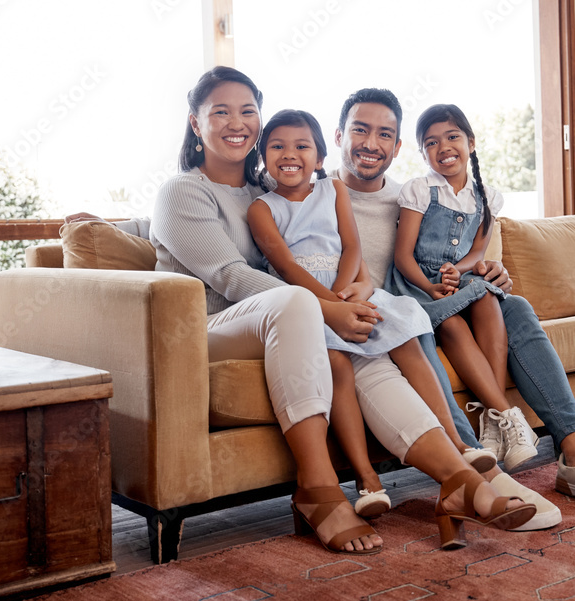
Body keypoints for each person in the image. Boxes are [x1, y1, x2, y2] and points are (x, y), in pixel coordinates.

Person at [148, 66, 535, 554]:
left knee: (368, 354)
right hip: (208, 331)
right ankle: (317, 487)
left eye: (248, 111)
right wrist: (326, 308)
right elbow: (227, 273)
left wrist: (344, 307)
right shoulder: (180, 190)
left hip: (286, 325)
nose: (236, 122)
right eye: (220, 111)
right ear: (194, 122)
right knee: (295, 303)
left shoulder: (261, 191)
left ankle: (460, 478)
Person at [334, 88, 575, 515]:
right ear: (338, 136)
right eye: (360, 131)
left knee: (516, 307)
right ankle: (483, 471)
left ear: (399, 147)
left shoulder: (414, 194)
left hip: (439, 295)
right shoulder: (318, 197)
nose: (371, 144)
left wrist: (488, 269)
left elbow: (457, 249)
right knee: (411, 326)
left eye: (384, 134)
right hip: (395, 312)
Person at [247, 109, 497, 517]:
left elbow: (351, 248)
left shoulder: (333, 191)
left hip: (348, 292)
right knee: (339, 368)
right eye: (277, 146)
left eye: (302, 146)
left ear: (321, 155)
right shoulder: (262, 208)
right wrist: (329, 306)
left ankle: (458, 442)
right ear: (263, 156)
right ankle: (366, 478)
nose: (289, 154)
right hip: (305, 304)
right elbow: (287, 268)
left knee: (408, 338)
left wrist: (346, 293)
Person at [386, 103, 540, 473]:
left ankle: (492, 416)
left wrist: (457, 270)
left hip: (457, 276)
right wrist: (431, 285)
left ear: (470, 142)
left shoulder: (486, 196)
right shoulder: (419, 191)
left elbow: (477, 253)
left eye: (452, 137)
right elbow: (402, 256)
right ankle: (508, 416)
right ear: (422, 152)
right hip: (416, 284)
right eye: (431, 142)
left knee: (486, 294)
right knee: (453, 323)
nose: (444, 148)